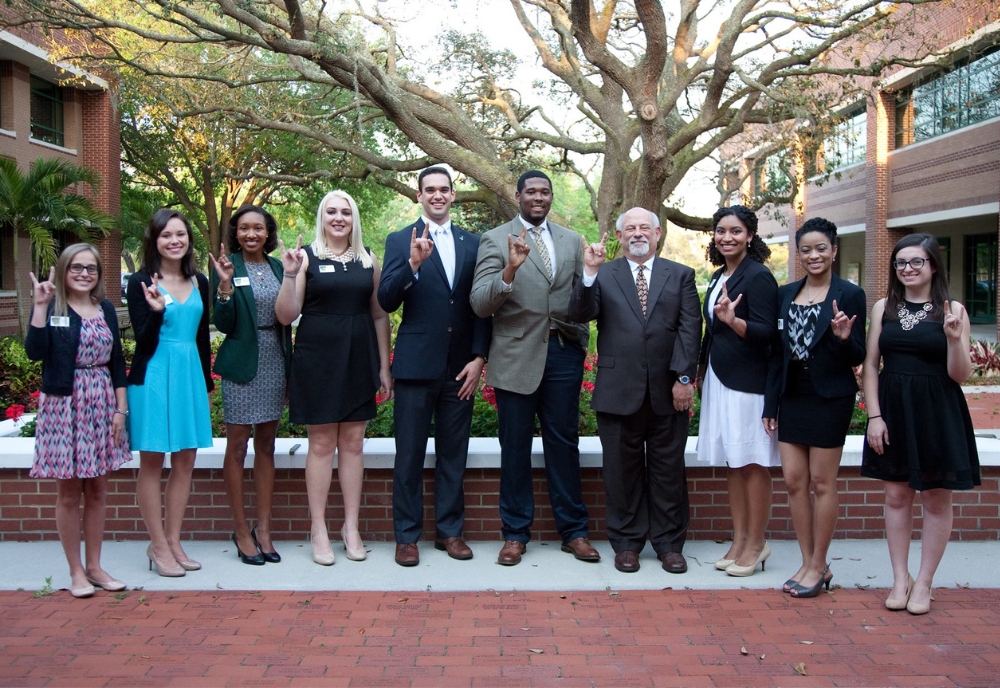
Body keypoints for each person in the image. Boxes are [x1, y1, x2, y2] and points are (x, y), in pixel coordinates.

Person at [470, 169, 599, 566]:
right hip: (515, 356)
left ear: (551, 197)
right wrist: (509, 270)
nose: (538, 197)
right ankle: (514, 534)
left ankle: (574, 532)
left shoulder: (571, 241)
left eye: (545, 191)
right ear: (518, 195)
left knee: (564, 445)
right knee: (515, 448)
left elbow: (582, 300)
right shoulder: (495, 239)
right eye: (531, 192)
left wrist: (592, 275)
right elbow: (480, 303)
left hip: (562, 355)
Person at [568, 208, 701, 574]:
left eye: (645, 227)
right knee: (620, 473)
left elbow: (691, 330)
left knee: (668, 471)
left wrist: (684, 379)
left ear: (658, 233)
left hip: (669, 391)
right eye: (630, 229)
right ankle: (626, 544)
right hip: (618, 390)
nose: (637, 233)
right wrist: (589, 273)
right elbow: (580, 313)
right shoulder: (603, 273)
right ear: (620, 236)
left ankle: (670, 544)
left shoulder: (681, 275)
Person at [378, 167, 492, 567]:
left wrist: (480, 357)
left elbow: (482, 307)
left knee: (452, 455)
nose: (437, 195)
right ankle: (406, 537)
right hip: (415, 365)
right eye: (430, 190)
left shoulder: (474, 244)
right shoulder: (399, 240)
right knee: (408, 455)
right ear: (419, 195)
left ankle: (450, 532)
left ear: (453, 195)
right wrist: (411, 265)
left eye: (444, 189)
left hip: (460, 368)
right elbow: (387, 300)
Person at [861, 233, 979, 615]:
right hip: (893, 409)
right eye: (900, 262)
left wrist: (956, 339)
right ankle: (900, 578)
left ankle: (925, 581)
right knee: (896, 496)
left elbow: (960, 375)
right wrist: (874, 416)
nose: (907, 269)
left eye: (916, 262)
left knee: (935, 498)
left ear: (932, 266)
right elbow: (871, 367)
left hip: (938, 410)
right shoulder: (884, 307)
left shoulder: (953, 309)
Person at [276, 190, 393, 566]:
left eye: (345, 211)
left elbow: (379, 315)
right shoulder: (305, 258)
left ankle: (351, 527)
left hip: (359, 356)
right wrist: (290, 273)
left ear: (354, 218)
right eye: (331, 211)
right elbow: (285, 315)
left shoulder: (368, 259)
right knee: (323, 445)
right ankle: (318, 528)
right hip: (318, 358)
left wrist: (383, 365)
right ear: (321, 217)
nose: (339, 217)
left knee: (355, 443)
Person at [763, 218, 866, 598]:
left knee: (822, 483)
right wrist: (770, 403)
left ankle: (819, 564)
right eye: (806, 249)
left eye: (821, 248)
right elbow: (777, 354)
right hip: (792, 395)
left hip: (829, 397)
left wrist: (843, 339)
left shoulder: (850, 294)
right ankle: (807, 563)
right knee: (793, 481)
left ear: (834, 250)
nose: (814, 255)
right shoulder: (786, 293)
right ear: (798, 254)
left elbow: (859, 352)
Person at [25, 244, 130, 597]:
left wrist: (120, 411)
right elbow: (35, 353)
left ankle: (96, 567)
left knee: (98, 489)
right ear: (64, 269)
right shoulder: (53, 307)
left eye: (91, 268)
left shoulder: (107, 310)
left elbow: (117, 362)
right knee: (69, 493)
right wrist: (39, 305)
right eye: (76, 267)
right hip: (63, 404)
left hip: (101, 402)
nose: (85, 273)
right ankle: (76, 572)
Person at [127, 209, 214, 577]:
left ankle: (174, 540)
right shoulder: (140, 281)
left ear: (188, 239)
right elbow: (141, 340)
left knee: (185, 461)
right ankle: (157, 544)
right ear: (155, 241)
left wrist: (207, 387)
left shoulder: (201, 281)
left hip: (189, 374)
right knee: (152, 462)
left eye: (180, 234)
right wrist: (157, 312)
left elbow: (201, 337)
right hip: (154, 375)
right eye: (166, 235)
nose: (174, 241)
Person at [697, 205, 779, 577]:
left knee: (752, 462)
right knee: (733, 463)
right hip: (719, 379)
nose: (726, 237)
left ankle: (757, 543)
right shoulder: (718, 276)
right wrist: (698, 373)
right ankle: (739, 539)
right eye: (720, 231)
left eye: (735, 231)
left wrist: (735, 321)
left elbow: (768, 334)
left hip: (748, 385)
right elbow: (710, 332)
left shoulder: (759, 277)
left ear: (750, 236)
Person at [209, 204, 292, 566]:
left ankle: (264, 529)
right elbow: (222, 324)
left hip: (276, 357)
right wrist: (225, 285)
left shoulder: (278, 267)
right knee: (238, 446)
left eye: (258, 228)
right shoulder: (226, 267)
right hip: (243, 361)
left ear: (268, 233)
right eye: (244, 228)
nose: (251, 234)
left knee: (268, 445)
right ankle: (241, 530)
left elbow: (289, 315)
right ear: (236, 233)